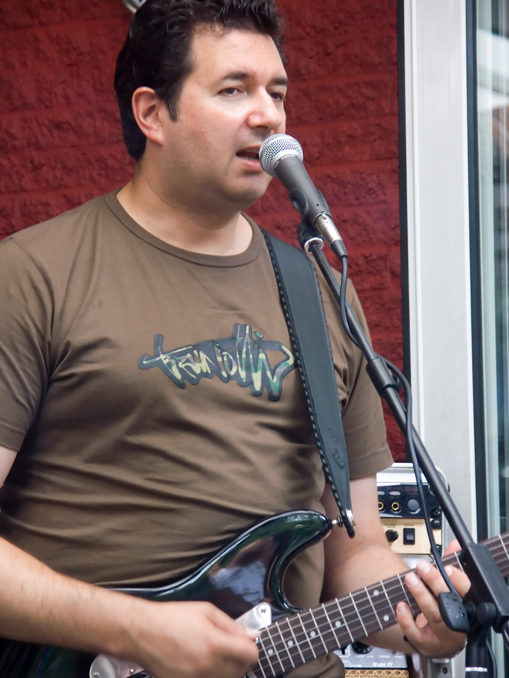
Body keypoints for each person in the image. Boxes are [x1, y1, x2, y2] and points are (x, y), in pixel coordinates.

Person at [0, 1, 469, 677]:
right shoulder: (34, 274)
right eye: (233, 90)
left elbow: (355, 552)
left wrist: (421, 617)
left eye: (277, 92)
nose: (268, 115)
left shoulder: (320, 293)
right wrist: (132, 628)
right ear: (151, 113)